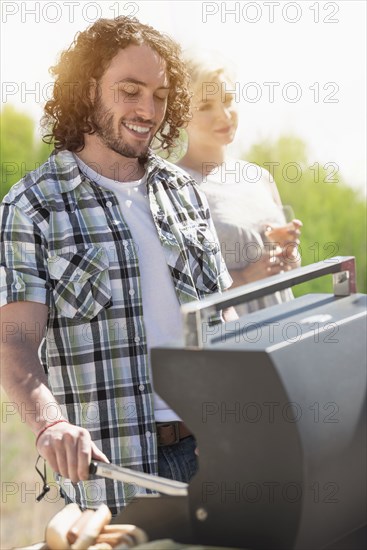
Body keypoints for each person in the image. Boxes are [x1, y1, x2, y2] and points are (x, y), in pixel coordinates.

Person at [0, 18, 234, 515]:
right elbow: (14, 341)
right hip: (116, 475)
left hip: (219, 454)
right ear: (87, 90)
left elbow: (226, 318)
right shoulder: (34, 205)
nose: (147, 110)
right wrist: (50, 424)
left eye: (161, 95)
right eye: (130, 91)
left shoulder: (185, 193)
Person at [177, 53, 303, 313]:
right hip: (234, 341)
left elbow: (286, 267)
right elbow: (180, 282)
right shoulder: (177, 187)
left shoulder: (259, 177)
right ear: (180, 116)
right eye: (205, 106)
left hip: (286, 323)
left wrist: (288, 257)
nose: (224, 115)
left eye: (228, 100)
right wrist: (244, 279)